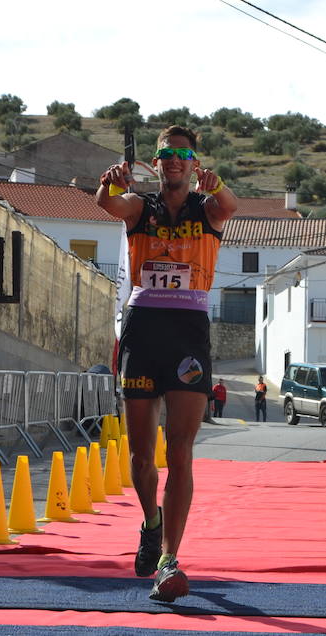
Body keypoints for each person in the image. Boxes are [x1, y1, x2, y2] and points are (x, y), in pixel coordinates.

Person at [98, 125, 238, 603]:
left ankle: (169, 559)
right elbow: (108, 205)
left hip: (188, 337)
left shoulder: (208, 209)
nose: (174, 161)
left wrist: (216, 184)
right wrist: (111, 183)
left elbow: (231, 206)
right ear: (156, 164)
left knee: (180, 450)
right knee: (141, 454)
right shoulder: (141, 206)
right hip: (143, 332)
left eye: (183, 154)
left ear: (194, 163)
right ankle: (151, 523)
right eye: (166, 155)